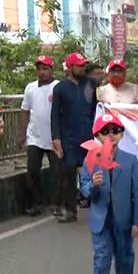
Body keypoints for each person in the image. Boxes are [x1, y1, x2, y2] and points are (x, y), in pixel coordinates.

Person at [80, 114, 138, 274]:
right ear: (97, 136)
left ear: (122, 134)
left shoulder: (130, 160)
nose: (111, 135)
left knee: (124, 255)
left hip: (123, 218)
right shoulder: (91, 159)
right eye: (105, 132)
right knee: (102, 257)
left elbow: (137, 193)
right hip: (101, 218)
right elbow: (84, 188)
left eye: (115, 131)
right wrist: (93, 185)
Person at [51, 53, 98, 223]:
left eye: (84, 65)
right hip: (68, 138)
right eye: (79, 66)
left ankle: (98, 206)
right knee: (69, 173)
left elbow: (96, 108)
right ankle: (70, 210)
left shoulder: (91, 84)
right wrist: (56, 137)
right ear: (70, 67)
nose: (82, 68)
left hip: (88, 135)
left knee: (94, 172)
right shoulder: (60, 88)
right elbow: (55, 114)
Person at [21, 55, 60, 216]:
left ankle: (57, 203)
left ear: (51, 69)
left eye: (45, 68)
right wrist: (22, 134)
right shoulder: (30, 88)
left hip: (54, 137)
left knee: (57, 172)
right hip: (34, 137)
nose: (42, 72)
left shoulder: (58, 87)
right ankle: (36, 204)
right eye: (39, 69)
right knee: (32, 171)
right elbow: (25, 111)